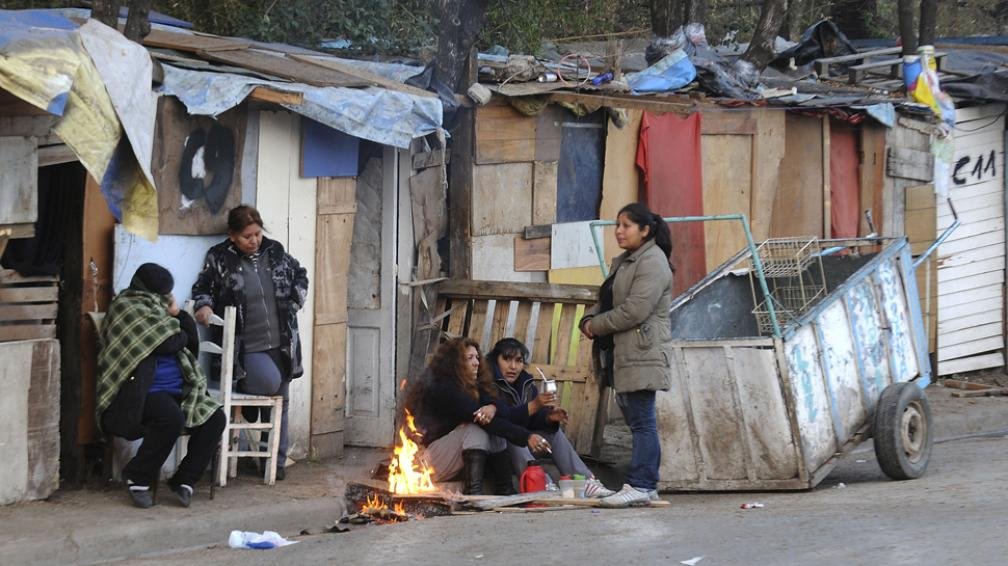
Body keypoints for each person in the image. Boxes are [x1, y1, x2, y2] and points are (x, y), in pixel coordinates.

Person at [191, 205, 308, 481]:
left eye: (256, 233)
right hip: (245, 349)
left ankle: (273, 464)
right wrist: (205, 307)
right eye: (247, 236)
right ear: (232, 236)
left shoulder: (275, 251)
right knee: (271, 383)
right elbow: (202, 287)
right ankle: (241, 386)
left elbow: (300, 273)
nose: (254, 240)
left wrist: (295, 299)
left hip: (281, 341)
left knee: (282, 397)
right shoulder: (220, 258)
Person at [96, 263, 225, 508]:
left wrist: (177, 314)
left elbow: (189, 343)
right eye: (162, 293)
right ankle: (138, 476)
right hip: (141, 391)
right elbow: (166, 344)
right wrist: (179, 334)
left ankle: (184, 480)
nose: (165, 298)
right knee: (171, 418)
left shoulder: (160, 310)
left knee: (216, 418)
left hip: (179, 387)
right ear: (149, 290)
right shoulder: (126, 306)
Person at [579, 202, 673, 507]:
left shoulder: (652, 262)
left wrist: (597, 325)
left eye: (626, 225)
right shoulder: (627, 260)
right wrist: (590, 319)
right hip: (626, 353)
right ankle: (646, 485)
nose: (618, 231)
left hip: (642, 352)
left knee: (643, 421)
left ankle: (642, 484)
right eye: (617, 225)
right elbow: (608, 299)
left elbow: (635, 310)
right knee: (637, 421)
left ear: (645, 231)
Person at [405, 337, 551, 495]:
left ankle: (505, 489)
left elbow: (503, 411)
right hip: (424, 466)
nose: (476, 363)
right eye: (469, 358)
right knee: (476, 429)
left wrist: (493, 407)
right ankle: (473, 494)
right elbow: (481, 420)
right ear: (454, 363)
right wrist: (527, 436)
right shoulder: (444, 388)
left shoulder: (472, 386)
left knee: (492, 427)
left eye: (477, 357)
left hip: (447, 461)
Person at [487, 337, 616, 498]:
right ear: (495, 360)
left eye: (518, 361)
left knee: (555, 433)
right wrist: (534, 406)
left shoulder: (526, 385)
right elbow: (502, 422)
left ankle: (585, 482)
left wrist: (548, 418)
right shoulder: (488, 383)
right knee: (513, 435)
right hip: (497, 450)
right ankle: (541, 485)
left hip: (524, 446)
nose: (513, 366)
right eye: (506, 359)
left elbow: (531, 421)